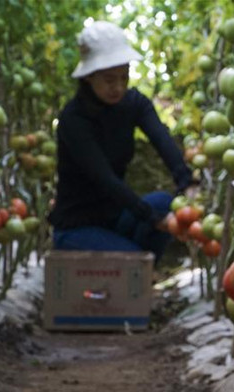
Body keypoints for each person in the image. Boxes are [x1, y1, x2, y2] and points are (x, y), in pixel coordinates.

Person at [48, 21, 195, 261]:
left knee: (165, 203)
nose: (118, 87)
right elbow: (104, 178)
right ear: (89, 77)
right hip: (76, 228)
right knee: (135, 262)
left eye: (124, 78)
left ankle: (140, 274)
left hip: (116, 219)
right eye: (109, 80)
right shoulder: (73, 120)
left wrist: (187, 182)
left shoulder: (134, 103)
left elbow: (162, 140)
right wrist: (155, 219)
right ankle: (138, 272)